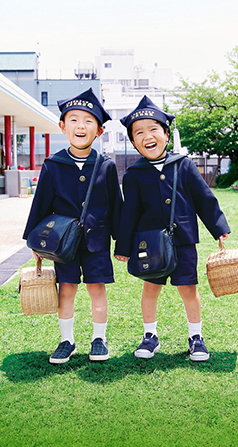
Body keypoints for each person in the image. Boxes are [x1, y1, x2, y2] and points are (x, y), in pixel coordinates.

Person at [114, 95, 230, 362]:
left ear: (166, 135)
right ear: (133, 142)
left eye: (154, 129)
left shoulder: (184, 165)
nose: (147, 136)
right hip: (150, 244)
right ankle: (150, 336)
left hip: (184, 240)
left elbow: (204, 198)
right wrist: (123, 247)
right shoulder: (133, 175)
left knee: (188, 289)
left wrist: (218, 227)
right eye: (139, 132)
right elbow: (128, 214)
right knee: (150, 289)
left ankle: (196, 337)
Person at [23, 88, 122, 364]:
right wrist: (34, 242)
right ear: (63, 127)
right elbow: (40, 205)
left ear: (99, 131)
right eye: (74, 120)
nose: (81, 126)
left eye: (89, 121)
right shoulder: (53, 165)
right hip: (61, 244)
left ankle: (99, 340)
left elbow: (116, 207)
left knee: (96, 289)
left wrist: (122, 243)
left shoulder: (106, 166)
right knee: (66, 289)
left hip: (97, 242)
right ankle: (67, 340)